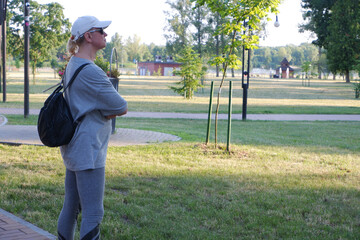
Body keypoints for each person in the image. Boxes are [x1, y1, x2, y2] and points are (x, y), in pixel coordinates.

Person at [57, 16, 128, 240]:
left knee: (71, 206)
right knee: (93, 212)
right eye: (101, 31)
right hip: (89, 148)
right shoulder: (91, 71)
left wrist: (101, 109)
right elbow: (121, 106)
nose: (106, 35)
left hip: (75, 144)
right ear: (88, 36)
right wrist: (105, 111)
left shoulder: (73, 64)